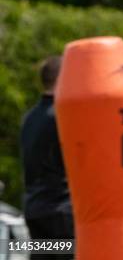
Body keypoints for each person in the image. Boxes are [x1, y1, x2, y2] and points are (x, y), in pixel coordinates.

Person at [20, 55, 73, 258]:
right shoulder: (62, 116)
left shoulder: (29, 118)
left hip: (34, 211)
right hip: (59, 213)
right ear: (63, 78)